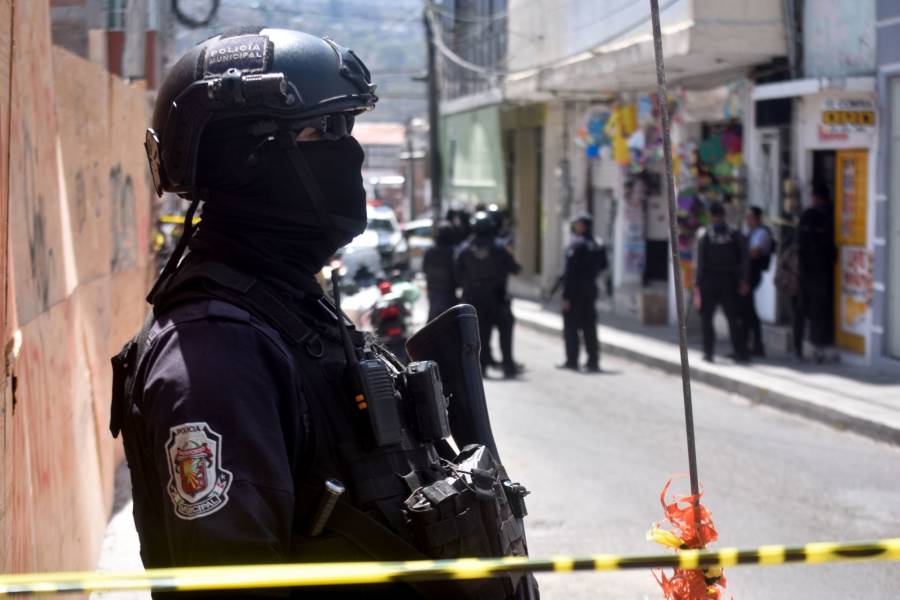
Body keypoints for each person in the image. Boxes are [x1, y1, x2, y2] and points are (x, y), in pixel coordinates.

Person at [109, 28, 533, 600]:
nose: (348, 152)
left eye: (348, 128)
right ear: (248, 157)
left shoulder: (289, 311)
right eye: (322, 131)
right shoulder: (215, 352)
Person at [456, 211, 522, 378]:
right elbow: (516, 269)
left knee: (481, 335)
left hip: (474, 299)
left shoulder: (465, 249)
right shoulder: (500, 247)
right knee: (505, 332)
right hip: (498, 298)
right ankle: (508, 365)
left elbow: (457, 274)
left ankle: (482, 366)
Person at [693, 201, 750, 363]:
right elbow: (745, 259)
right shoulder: (734, 234)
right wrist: (744, 280)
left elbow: (700, 262)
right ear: (723, 216)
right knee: (733, 318)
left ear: (711, 217)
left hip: (709, 281)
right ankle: (740, 352)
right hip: (729, 280)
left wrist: (697, 285)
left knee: (707, 318)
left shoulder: (705, 234)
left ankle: (708, 352)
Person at [558, 214, 607, 372]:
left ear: (584, 226)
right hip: (590, 289)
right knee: (589, 326)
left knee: (571, 327)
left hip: (575, 291)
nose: (575, 227)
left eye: (578, 224)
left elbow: (570, 272)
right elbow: (604, 265)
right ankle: (593, 361)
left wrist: (565, 295)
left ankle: (572, 360)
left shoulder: (577, 245)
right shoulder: (598, 244)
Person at [797, 182, 838, 363]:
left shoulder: (810, 215)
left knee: (810, 309)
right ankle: (819, 345)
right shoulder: (832, 214)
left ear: (816, 197)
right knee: (822, 309)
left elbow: (801, 244)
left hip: (811, 271)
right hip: (826, 270)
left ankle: (811, 347)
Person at [741, 206, 774, 356]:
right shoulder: (752, 233)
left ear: (757, 218)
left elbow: (754, 253)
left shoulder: (761, 233)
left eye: (750, 217)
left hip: (752, 275)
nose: (748, 221)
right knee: (746, 311)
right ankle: (749, 343)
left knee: (749, 311)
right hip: (746, 274)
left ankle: (756, 345)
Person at [423, 220, 459, 321]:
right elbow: (458, 273)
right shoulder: (453, 252)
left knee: (433, 320)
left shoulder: (430, 251)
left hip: (433, 291)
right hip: (448, 293)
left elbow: (425, 269)